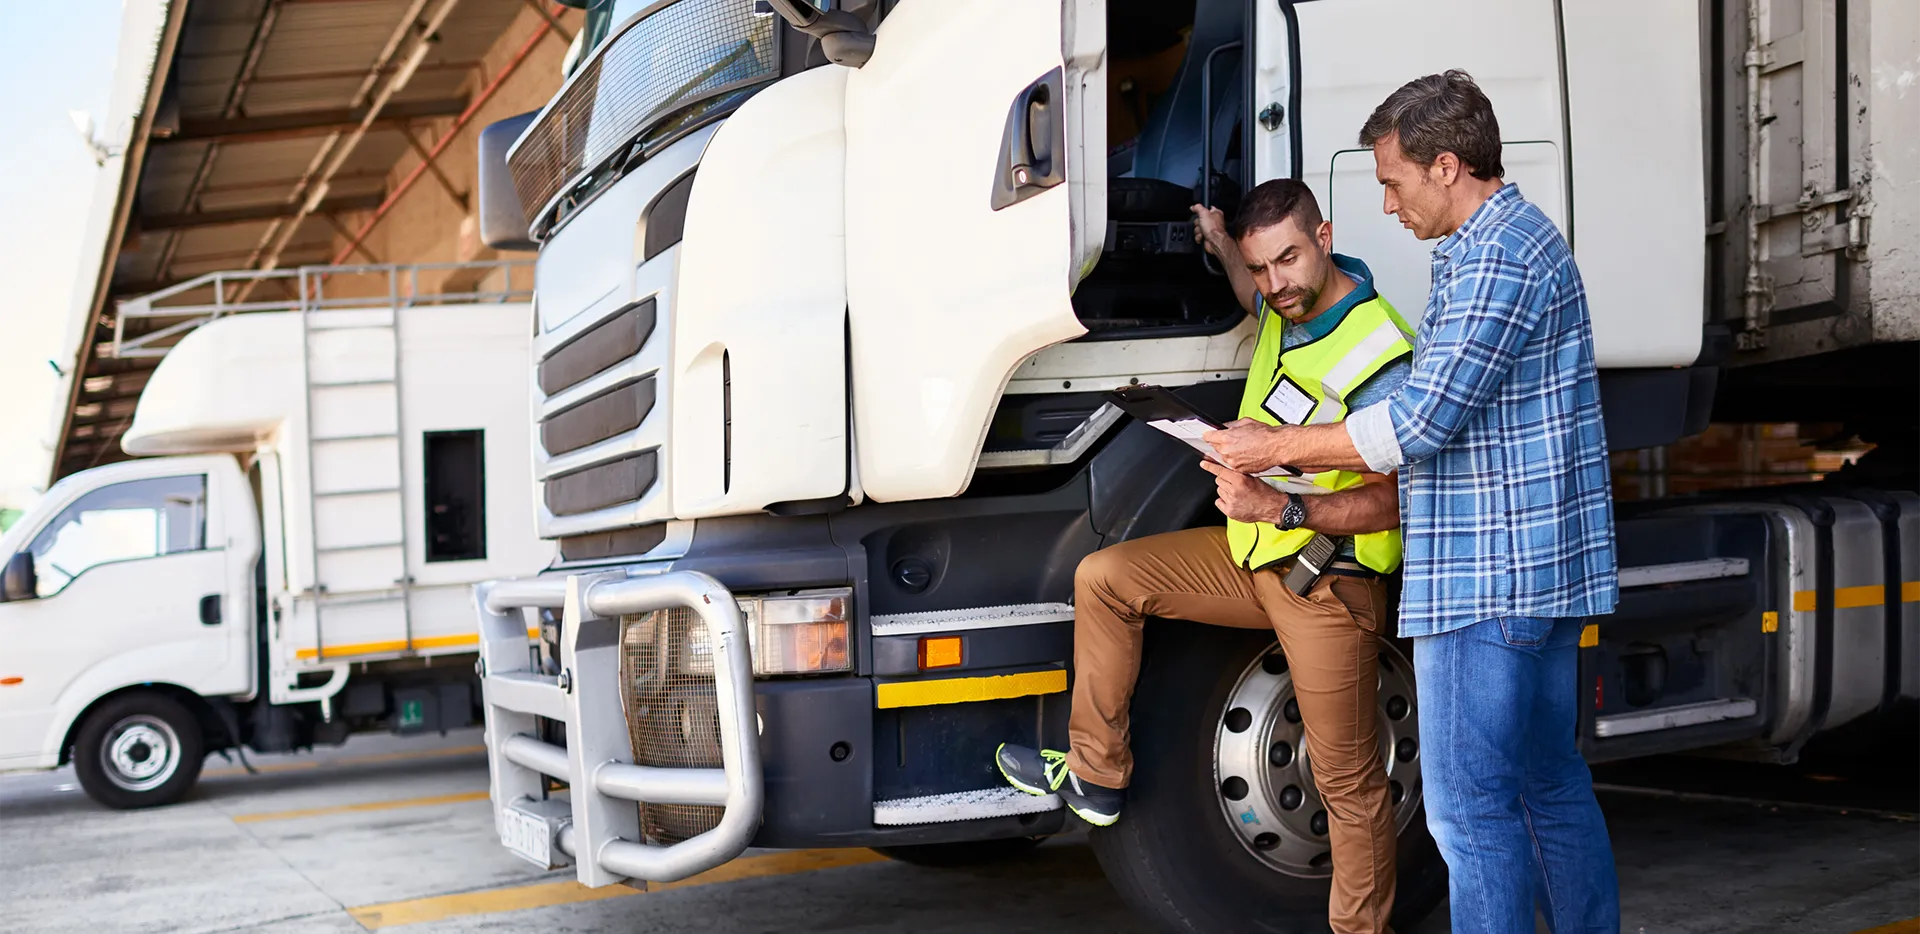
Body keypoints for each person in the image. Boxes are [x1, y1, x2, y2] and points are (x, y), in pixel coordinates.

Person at [1203, 71, 1621, 933]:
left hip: (1488, 578)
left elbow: (1420, 420)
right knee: (1546, 785)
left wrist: (1270, 448)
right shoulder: (1497, 248)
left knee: (1470, 814)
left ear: (1443, 166)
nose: (1388, 207)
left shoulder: (1498, 257)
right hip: (1533, 571)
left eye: (1392, 182)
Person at [995, 178, 1416, 934]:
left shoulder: (1380, 351)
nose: (1273, 284)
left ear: (1325, 238)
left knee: (1348, 787)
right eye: (1260, 269)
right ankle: (1097, 774)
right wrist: (1222, 243)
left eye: (1286, 260)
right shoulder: (1284, 307)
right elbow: (1251, 288)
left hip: (1329, 583)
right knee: (1109, 579)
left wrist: (1283, 504)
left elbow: (1397, 500)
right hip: (1258, 559)